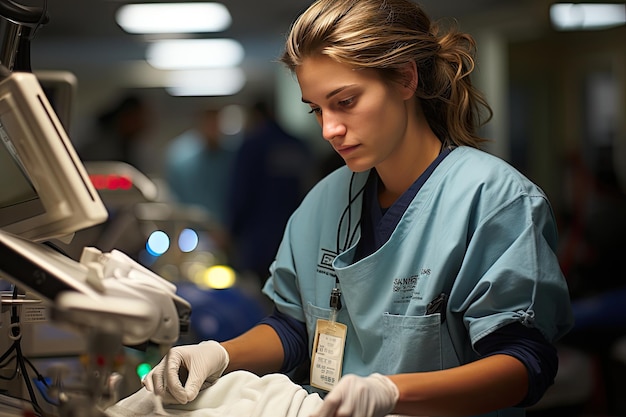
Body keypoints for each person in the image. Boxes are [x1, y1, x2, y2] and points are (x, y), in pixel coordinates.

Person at [143, 1, 574, 416]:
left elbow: (524, 366)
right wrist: (217, 355)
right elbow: (294, 328)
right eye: (317, 109)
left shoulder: (493, 201)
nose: (330, 129)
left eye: (345, 101)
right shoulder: (323, 202)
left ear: (406, 80)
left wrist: (391, 392)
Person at [226, 100, 314, 284]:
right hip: (297, 235)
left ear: (256, 115)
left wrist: (232, 232)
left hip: (260, 238)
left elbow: (241, 194)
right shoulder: (297, 145)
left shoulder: (252, 146)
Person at [165, 108, 236, 226]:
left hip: (226, 232)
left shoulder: (231, 156)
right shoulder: (180, 157)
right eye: (209, 123)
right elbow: (175, 200)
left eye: (216, 123)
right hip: (189, 231)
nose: (213, 128)